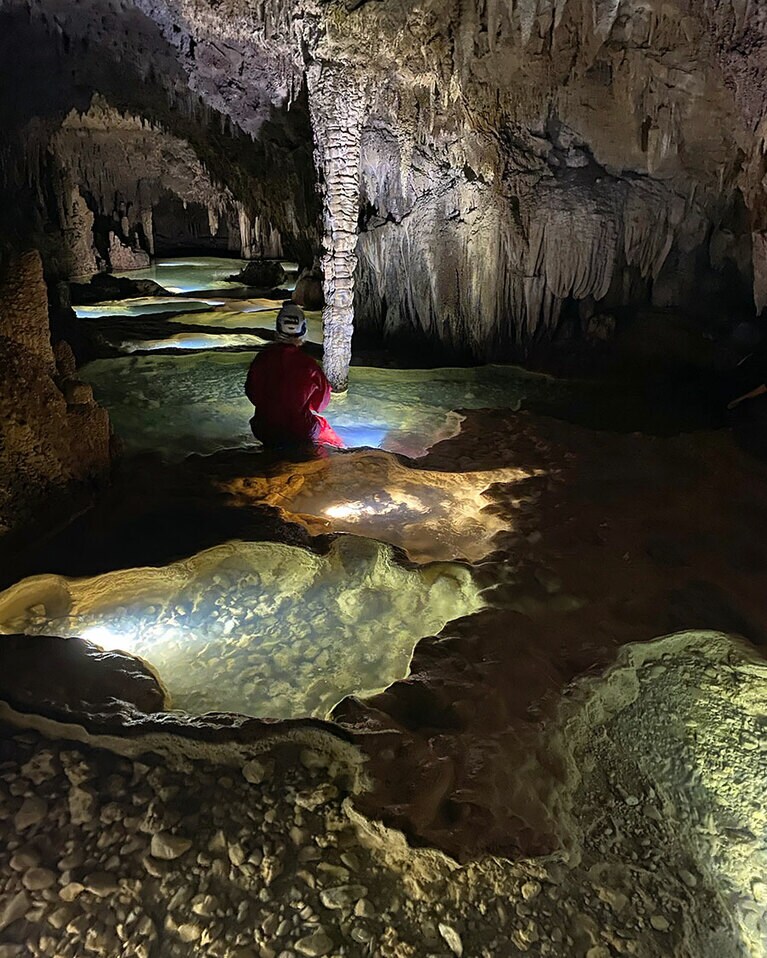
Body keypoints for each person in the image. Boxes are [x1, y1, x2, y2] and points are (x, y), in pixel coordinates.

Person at [245, 302, 344, 448]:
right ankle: (337, 450)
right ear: (303, 329)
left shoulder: (261, 360)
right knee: (322, 426)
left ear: (278, 328)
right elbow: (320, 405)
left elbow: (252, 394)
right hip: (299, 431)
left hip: (264, 429)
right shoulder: (310, 366)